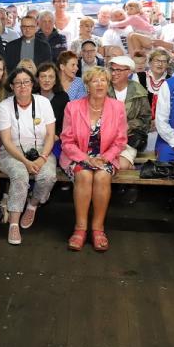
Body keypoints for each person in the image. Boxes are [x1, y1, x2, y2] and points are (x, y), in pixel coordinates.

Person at [60, 67, 127, 251]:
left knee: (102, 176)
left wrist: (106, 157)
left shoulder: (118, 107)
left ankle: (98, 229)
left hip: (106, 156)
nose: (100, 84)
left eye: (103, 80)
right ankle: (80, 228)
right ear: (87, 85)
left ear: (108, 84)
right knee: (84, 175)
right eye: (95, 80)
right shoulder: (72, 107)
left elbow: (121, 140)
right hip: (78, 155)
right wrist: (86, 159)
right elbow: (67, 141)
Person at [0, 68, 57, 245]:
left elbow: (50, 135)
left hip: (41, 149)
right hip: (12, 151)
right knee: (20, 174)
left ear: (32, 84)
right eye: (18, 82)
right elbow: (6, 141)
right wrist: (25, 161)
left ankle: (32, 204)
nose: (22, 86)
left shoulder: (43, 102)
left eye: (26, 82)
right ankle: (13, 223)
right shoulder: (4, 106)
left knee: (48, 176)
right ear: (12, 86)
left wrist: (42, 158)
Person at [108, 55, 150, 171]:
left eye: (118, 70)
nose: (114, 73)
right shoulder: (103, 88)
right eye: (112, 69)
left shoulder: (138, 91)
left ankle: (129, 170)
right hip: (104, 138)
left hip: (128, 139)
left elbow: (146, 119)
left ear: (128, 72)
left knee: (121, 165)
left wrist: (128, 125)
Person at [137, 47, 171, 119]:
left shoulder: (171, 80)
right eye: (157, 60)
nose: (160, 64)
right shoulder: (138, 77)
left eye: (164, 61)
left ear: (167, 65)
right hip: (141, 121)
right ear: (150, 62)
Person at [36, 62, 68, 137]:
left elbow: (66, 123)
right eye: (43, 76)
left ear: (55, 81)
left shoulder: (63, 97)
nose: (47, 80)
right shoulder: (31, 96)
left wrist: (57, 136)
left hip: (55, 138)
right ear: (37, 79)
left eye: (51, 77)